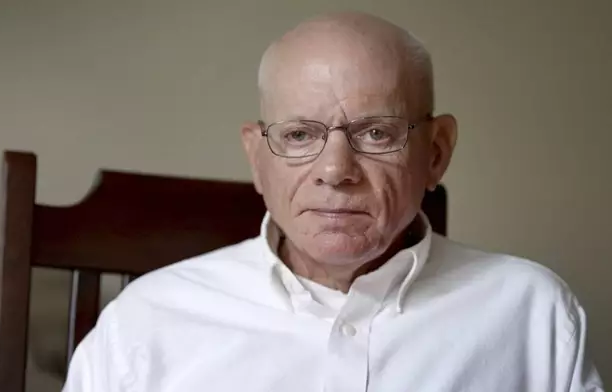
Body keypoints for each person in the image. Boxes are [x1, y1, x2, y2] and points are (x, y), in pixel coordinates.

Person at [63, 11, 604, 392]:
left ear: (435, 153)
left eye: (375, 133)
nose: (335, 172)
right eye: (299, 135)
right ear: (258, 157)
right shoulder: (146, 322)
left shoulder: (533, 314)